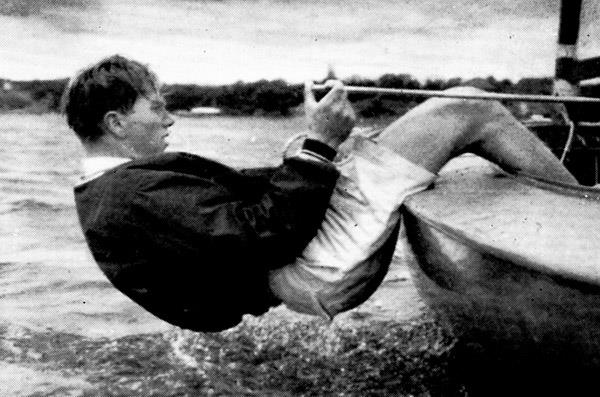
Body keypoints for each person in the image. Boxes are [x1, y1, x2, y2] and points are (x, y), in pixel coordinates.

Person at [66, 54, 576, 332]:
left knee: (449, 139)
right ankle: (584, 219)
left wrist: (330, 151)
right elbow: (265, 234)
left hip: (301, 272)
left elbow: (240, 214)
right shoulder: (130, 194)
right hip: (310, 270)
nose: (168, 117)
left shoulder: (115, 191)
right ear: (115, 122)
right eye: (155, 107)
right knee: (471, 106)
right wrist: (317, 146)